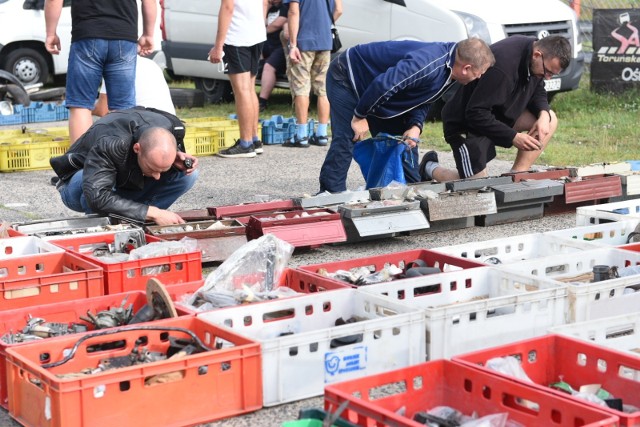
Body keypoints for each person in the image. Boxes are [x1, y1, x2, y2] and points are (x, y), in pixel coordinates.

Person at [318, 38, 495, 193]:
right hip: (348, 75)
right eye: (479, 73)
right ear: (466, 68)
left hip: (376, 91)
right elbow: (385, 84)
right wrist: (359, 115)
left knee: (404, 143)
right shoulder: (427, 64)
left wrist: (415, 125)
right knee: (348, 136)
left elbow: (424, 97)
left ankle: (408, 190)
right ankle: (331, 193)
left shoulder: (451, 71)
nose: (479, 78)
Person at [420, 35, 571, 183]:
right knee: (476, 184)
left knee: (550, 119)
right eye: (548, 72)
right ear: (537, 55)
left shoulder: (535, 56)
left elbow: (537, 88)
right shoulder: (504, 67)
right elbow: (475, 113)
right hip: (467, 124)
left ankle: (517, 175)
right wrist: (513, 136)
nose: (548, 77)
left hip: (497, 115)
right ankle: (429, 167)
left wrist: (543, 114)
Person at [50, 108, 198, 226]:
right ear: (137, 148)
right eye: (152, 168)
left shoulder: (173, 127)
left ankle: (134, 220)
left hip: (124, 183)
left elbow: (161, 150)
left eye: (160, 171)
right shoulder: (111, 144)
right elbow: (97, 196)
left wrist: (175, 158)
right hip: (80, 188)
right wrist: (154, 212)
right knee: (94, 177)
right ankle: (101, 227)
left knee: (189, 175)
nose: (157, 176)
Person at [44, 0, 157, 144]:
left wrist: (50, 33)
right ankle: (119, 161)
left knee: (81, 105)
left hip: (87, 35)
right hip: (124, 37)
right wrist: (148, 34)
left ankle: (80, 163)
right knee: (123, 109)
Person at [209, 0, 267, 159]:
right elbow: (264, 4)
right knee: (249, 88)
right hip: (257, 35)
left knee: (241, 91)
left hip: (237, 38)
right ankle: (254, 140)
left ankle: (245, 144)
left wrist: (218, 46)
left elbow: (227, 7)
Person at [285, 0, 342, 148]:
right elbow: (339, 9)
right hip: (325, 41)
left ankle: (301, 135)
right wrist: (323, 25)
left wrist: (293, 45)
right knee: (323, 89)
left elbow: (293, 12)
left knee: (301, 86)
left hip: (303, 41)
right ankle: (322, 134)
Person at [93, 55, 176, 117]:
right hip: (170, 124)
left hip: (144, 126)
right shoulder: (150, 63)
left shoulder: (115, 66)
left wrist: (85, 109)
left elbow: (102, 110)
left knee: (87, 118)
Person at [258, 0, 288, 112]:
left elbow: (277, 24)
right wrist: (267, 6)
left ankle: (262, 102)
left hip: (280, 47)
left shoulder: (285, 7)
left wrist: (261, 30)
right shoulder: (269, 8)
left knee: (268, 67)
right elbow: (258, 20)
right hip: (266, 45)